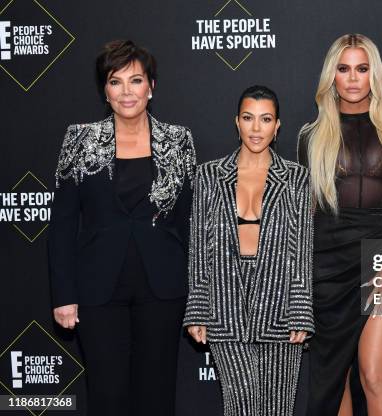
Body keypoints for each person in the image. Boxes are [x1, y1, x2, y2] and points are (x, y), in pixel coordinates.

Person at [48, 40, 196, 416]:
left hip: (163, 287)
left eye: (136, 80)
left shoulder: (178, 141)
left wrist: (200, 299)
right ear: (105, 90)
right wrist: (63, 294)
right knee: (107, 394)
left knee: (157, 395)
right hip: (98, 289)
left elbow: (191, 223)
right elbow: (63, 224)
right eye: (116, 82)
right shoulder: (79, 139)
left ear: (152, 86)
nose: (127, 92)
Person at [298, 34, 382, 416]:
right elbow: (308, 214)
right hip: (327, 266)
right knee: (334, 379)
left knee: (373, 373)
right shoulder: (310, 136)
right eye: (344, 68)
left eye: (362, 69)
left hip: (380, 256)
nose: (353, 78)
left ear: (374, 75)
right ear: (331, 76)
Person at [184, 85, 314, 416]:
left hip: (280, 302)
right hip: (225, 301)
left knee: (276, 409)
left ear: (277, 125)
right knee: (241, 405)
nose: (256, 129)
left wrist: (300, 308)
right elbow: (200, 246)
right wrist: (198, 308)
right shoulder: (209, 176)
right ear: (236, 122)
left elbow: (300, 248)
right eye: (248, 118)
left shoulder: (296, 178)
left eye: (265, 119)